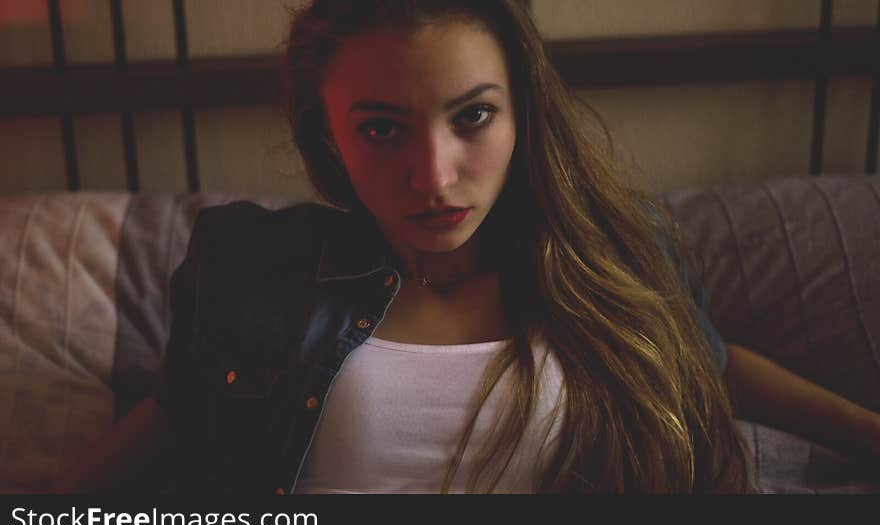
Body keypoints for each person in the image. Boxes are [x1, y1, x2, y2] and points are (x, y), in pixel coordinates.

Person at [55, 0, 880, 494]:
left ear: (522, 112)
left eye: (473, 116)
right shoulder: (253, 266)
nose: (434, 175)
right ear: (328, 137)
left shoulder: (609, 260)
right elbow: (163, 427)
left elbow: (706, 362)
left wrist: (867, 431)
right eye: (381, 129)